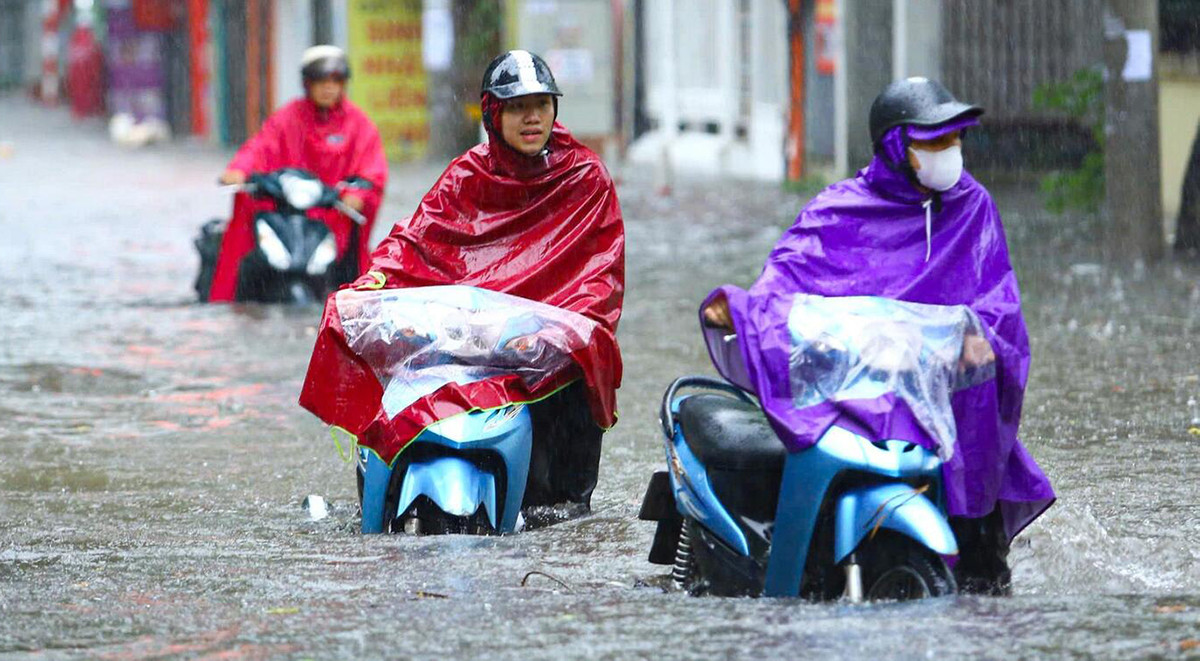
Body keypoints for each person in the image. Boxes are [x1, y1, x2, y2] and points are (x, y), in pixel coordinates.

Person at [703, 77, 1055, 595]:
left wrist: (983, 336)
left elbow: (999, 301)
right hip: (861, 392)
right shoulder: (838, 211)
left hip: (950, 403)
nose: (949, 153)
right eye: (933, 142)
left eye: (953, 140)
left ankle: (978, 561)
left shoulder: (972, 206)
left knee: (986, 581)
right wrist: (742, 310)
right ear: (896, 148)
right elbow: (783, 283)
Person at [299, 50, 624, 514]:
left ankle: (567, 505)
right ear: (494, 113)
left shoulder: (585, 178)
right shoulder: (466, 177)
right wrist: (373, 281)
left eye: (542, 105)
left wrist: (566, 330)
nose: (532, 118)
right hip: (472, 346)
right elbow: (414, 243)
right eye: (516, 107)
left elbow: (600, 279)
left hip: (542, 353)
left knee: (580, 368)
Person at [206, 45, 388, 302]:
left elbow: (373, 170)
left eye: (336, 80)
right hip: (285, 217)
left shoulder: (360, 125)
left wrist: (357, 193)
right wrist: (238, 170)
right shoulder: (288, 118)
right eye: (321, 80)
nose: (328, 87)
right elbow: (259, 148)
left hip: (331, 219)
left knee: (355, 278)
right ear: (307, 83)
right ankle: (232, 297)